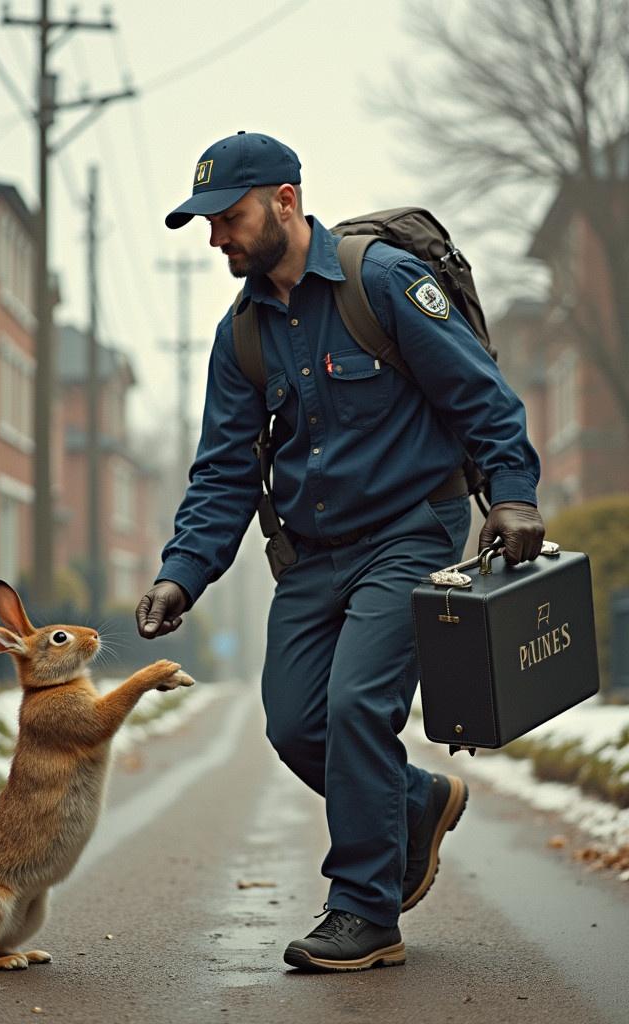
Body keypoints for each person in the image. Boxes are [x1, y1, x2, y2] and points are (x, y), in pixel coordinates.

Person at [136, 131, 545, 972]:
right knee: (293, 723)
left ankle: (365, 912)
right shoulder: (241, 335)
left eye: (230, 217)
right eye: (208, 224)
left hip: (408, 537)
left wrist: (511, 492)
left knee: (358, 704)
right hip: (312, 556)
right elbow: (221, 473)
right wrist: (183, 574)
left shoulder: (382, 282)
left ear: (285, 200)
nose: (218, 236)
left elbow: (481, 395)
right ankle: (416, 800)